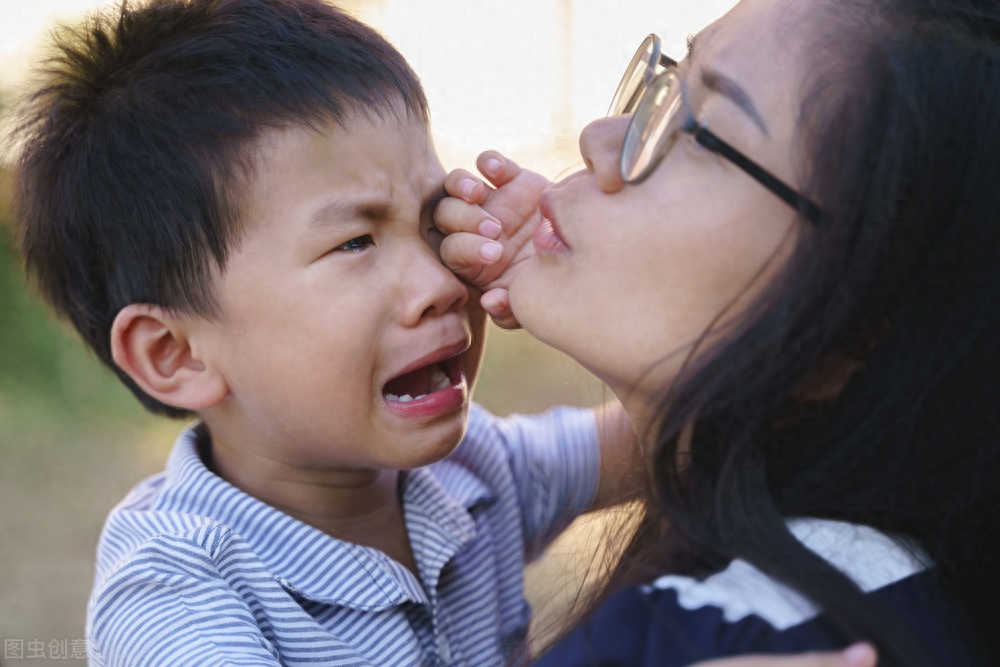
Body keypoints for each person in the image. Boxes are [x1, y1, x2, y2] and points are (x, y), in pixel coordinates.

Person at [9, 0, 641, 664]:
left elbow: (695, 429)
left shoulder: (471, 469)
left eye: (435, 223)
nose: (444, 283)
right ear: (177, 354)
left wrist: (587, 276)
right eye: (356, 242)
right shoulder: (178, 598)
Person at [435, 0, 1000, 664]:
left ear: (846, 335)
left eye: (700, 134)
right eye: (668, 87)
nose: (599, 138)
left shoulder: (693, 638)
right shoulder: (905, 590)